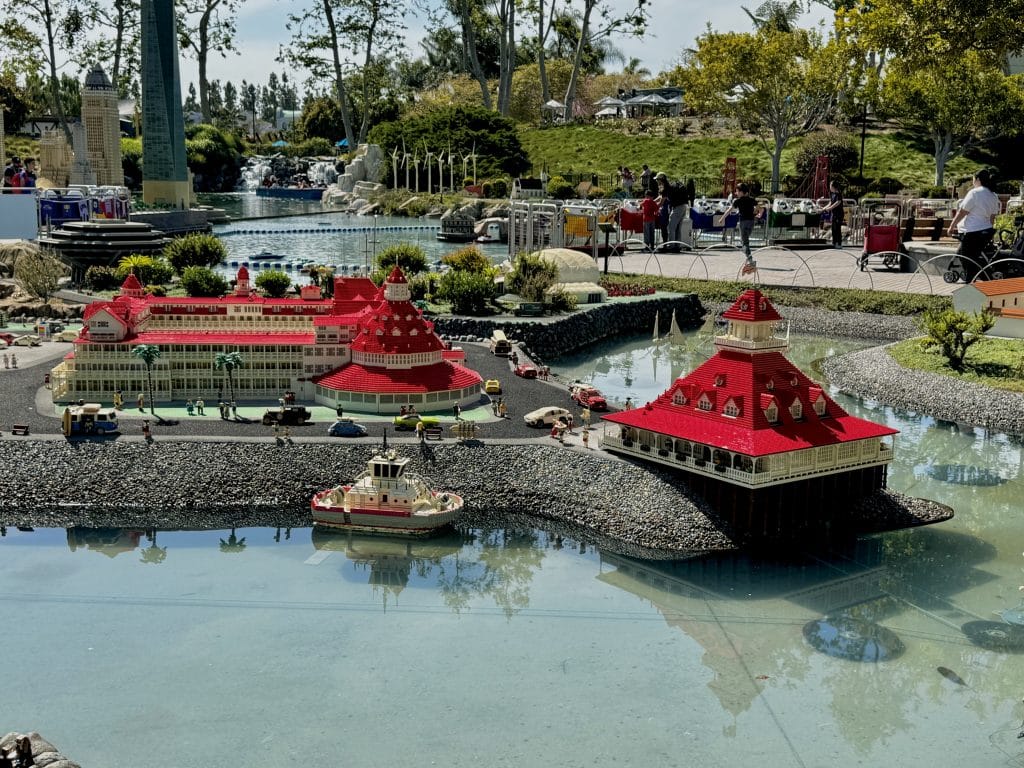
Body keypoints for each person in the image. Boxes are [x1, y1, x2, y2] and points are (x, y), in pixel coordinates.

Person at [948, 168, 1001, 282]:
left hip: (971, 231)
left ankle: (970, 283)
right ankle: (976, 279)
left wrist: (952, 226)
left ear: (977, 179)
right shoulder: (993, 195)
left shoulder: (974, 192)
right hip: (986, 231)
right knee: (975, 256)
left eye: (973, 178)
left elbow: (963, 211)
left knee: (967, 258)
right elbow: (992, 218)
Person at [723, 183, 759, 264]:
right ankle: (747, 254)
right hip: (751, 222)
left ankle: (750, 259)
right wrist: (755, 213)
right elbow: (759, 208)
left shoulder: (737, 201)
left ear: (741, 192)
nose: (736, 193)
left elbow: (729, 210)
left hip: (743, 222)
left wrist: (722, 218)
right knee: (745, 239)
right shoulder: (751, 199)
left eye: (737, 191)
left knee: (745, 242)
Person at [657, 172, 690, 252]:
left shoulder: (666, 188)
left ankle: (671, 246)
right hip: (684, 206)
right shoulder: (671, 185)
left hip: (677, 208)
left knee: (671, 227)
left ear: (661, 180)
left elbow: (661, 203)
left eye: (658, 180)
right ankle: (677, 246)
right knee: (678, 228)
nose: (657, 182)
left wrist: (651, 206)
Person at [821, 180, 846, 249]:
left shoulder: (838, 194)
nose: (829, 187)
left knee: (837, 229)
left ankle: (839, 243)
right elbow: (831, 202)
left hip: (839, 214)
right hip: (834, 214)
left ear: (833, 187)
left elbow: (838, 202)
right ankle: (834, 243)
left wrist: (830, 208)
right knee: (833, 228)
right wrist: (824, 208)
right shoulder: (832, 194)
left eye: (830, 186)